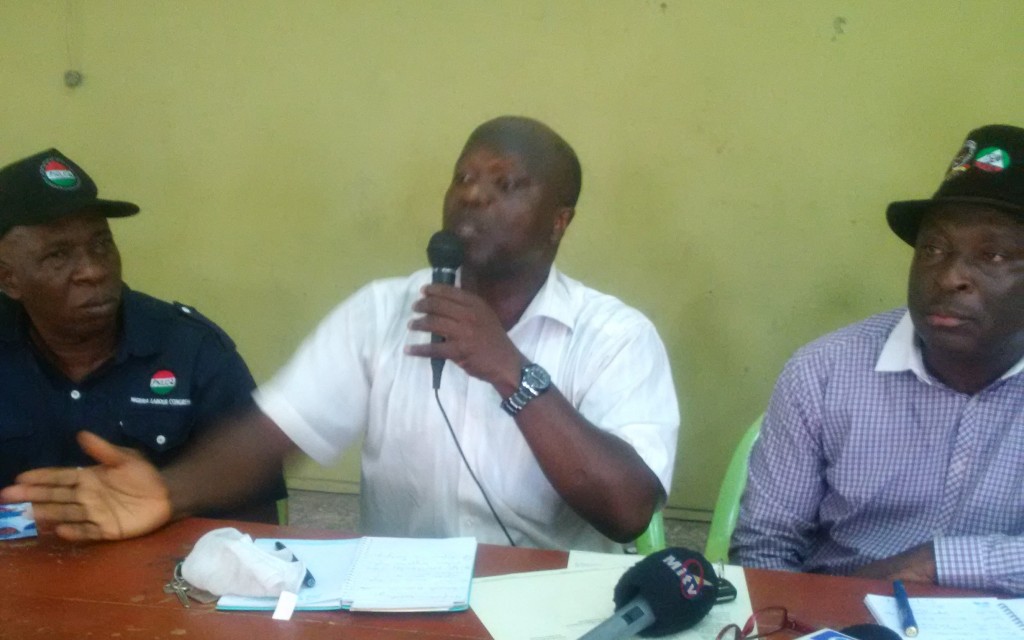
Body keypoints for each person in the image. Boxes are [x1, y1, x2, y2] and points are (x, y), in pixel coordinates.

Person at [2, 117, 679, 552]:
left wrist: (512, 371)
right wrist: (169, 490)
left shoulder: (616, 336)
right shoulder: (382, 312)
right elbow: (272, 435)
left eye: (506, 184)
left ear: (559, 221)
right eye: (464, 177)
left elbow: (626, 509)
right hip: (404, 609)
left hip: (555, 609)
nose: (472, 195)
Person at [731, 124, 1024, 594]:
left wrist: (935, 563)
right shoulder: (824, 373)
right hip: (846, 617)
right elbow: (767, 548)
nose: (949, 276)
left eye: (991, 256)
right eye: (933, 248)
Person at [0, 148, 287, 524]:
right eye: (58, 255)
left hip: (162, 572)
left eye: (101, 244)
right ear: (8, 279)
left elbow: (257, 518)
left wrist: (164, 502)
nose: (92, 270)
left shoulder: (192, 352)